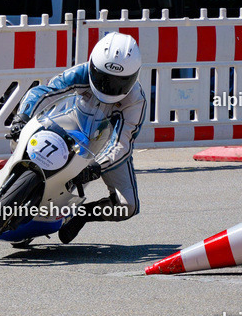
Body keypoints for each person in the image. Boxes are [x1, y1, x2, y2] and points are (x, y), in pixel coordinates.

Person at [8, 32, 146, 244]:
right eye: (103, 78)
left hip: (106, 146)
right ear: (92, 66)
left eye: (119, 83)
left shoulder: (136, 101)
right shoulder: (81, 73)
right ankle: (13, 182)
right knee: (19, 138)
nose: (108, 87)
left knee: (126, 206)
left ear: (134, 77)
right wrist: (22, 117)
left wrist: (97, 166)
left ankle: (81, 214)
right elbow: (45, 91)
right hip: (71, 122)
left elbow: (122, 143)